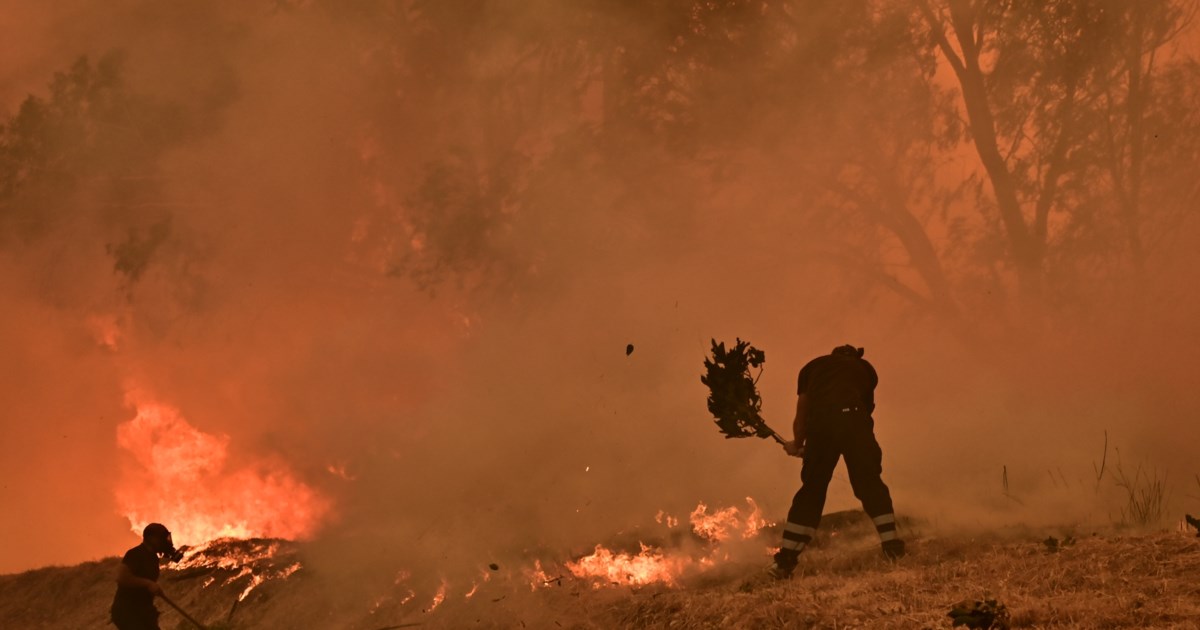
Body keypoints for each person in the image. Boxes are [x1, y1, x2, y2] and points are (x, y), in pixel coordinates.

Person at [768, 345, 904, 579]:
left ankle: (786, 561)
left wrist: (799, 443)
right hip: (855, 421)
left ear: (832, 355)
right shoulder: (865, 368)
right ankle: (892, 547)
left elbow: (803, 410)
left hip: (821, 424)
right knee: (869, 482)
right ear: (854, 356)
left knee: (812, 489)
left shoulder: (812, 366)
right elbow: (865, 409)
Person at [110, 522, 177, 630]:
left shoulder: (153, 558)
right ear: (152, 539)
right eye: (162, 538)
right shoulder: (135, 554)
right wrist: (148, 583)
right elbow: (122, 577)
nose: (165, 542)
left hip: (142, 610)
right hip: (128, 611)